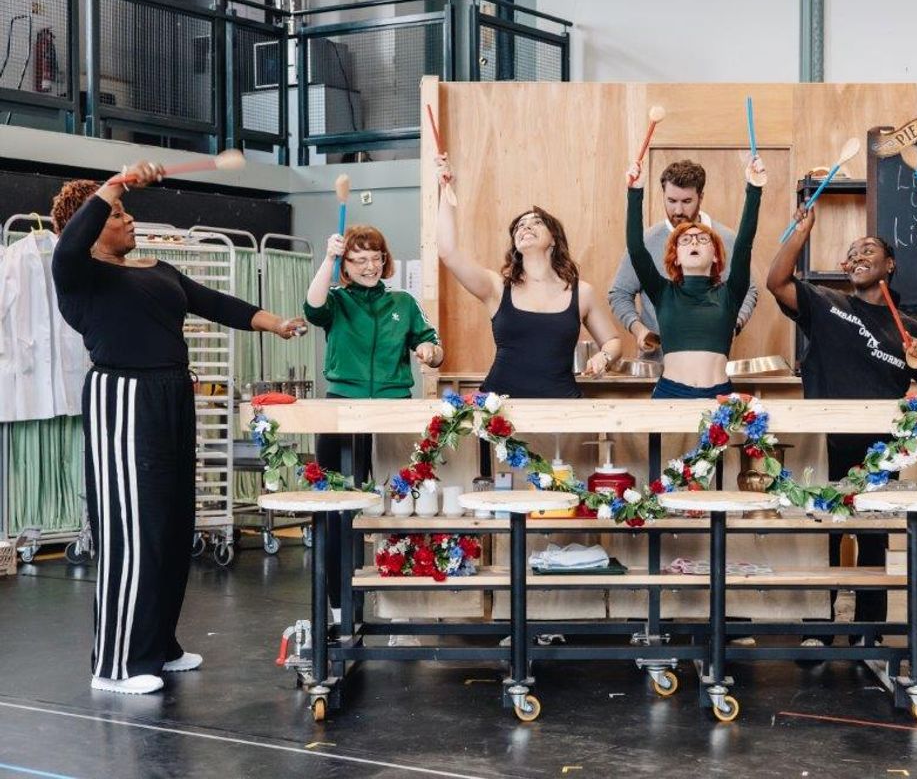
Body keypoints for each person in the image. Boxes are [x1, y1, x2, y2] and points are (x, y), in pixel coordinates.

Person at [50, 163, 305, 695]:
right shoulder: (80, 275)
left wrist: (275, 322)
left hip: (170, 395)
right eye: (118, 215)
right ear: (91, 224)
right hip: (123, 398)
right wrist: (113, 186)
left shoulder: (157, 268)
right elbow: (69, 246)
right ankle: (117, 665)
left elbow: (214, 303)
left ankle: (156, 647)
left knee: (169, 525)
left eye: (125, 211)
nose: (129, 221)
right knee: (133, 534)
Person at [767, 207, 917, 639]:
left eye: (868, 249)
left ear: (889, 265)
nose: (858, 255)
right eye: (852, 252)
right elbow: (776, 281)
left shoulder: (908, 328)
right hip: (829, 442)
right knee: (828, 533)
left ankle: (868, 630)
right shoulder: (826, 304)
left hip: (880, 448)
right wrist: (799, 233)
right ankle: (824, 626)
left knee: (872, 538)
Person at [304, 224, 442, 623]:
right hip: (342, 408)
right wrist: (327, 259)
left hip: (392, 410)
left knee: (398, 507)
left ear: (385, 260)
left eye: (375, 257)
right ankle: (338, 607)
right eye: (358, 259)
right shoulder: (337, 300)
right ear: (345, 265)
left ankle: (403, 609)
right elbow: (313, 308)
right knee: (336, 511)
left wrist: (429, 351)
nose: (369, 266)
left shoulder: (403, 302)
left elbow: (433, 349)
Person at [434, 155, 621, 397]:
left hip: (561, 409)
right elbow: (448, 251)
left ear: (554, 239)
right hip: (499, 412)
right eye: (520, 225)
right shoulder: (495, 287)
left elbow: (613, 341)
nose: (526, 227)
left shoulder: (581, 292)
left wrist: (603, 357)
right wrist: (445, 188)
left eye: (537, 222)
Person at [625, 156, 765, 399]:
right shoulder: (663, 293)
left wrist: (754, 188)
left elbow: (744, 245)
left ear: (715, 255)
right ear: (676, 256)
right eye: (685, 240)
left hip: (719, 396)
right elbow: (636, 248)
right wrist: (635, 193)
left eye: (702, 239)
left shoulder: (730, 293)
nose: (694, 242)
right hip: (671, 393)